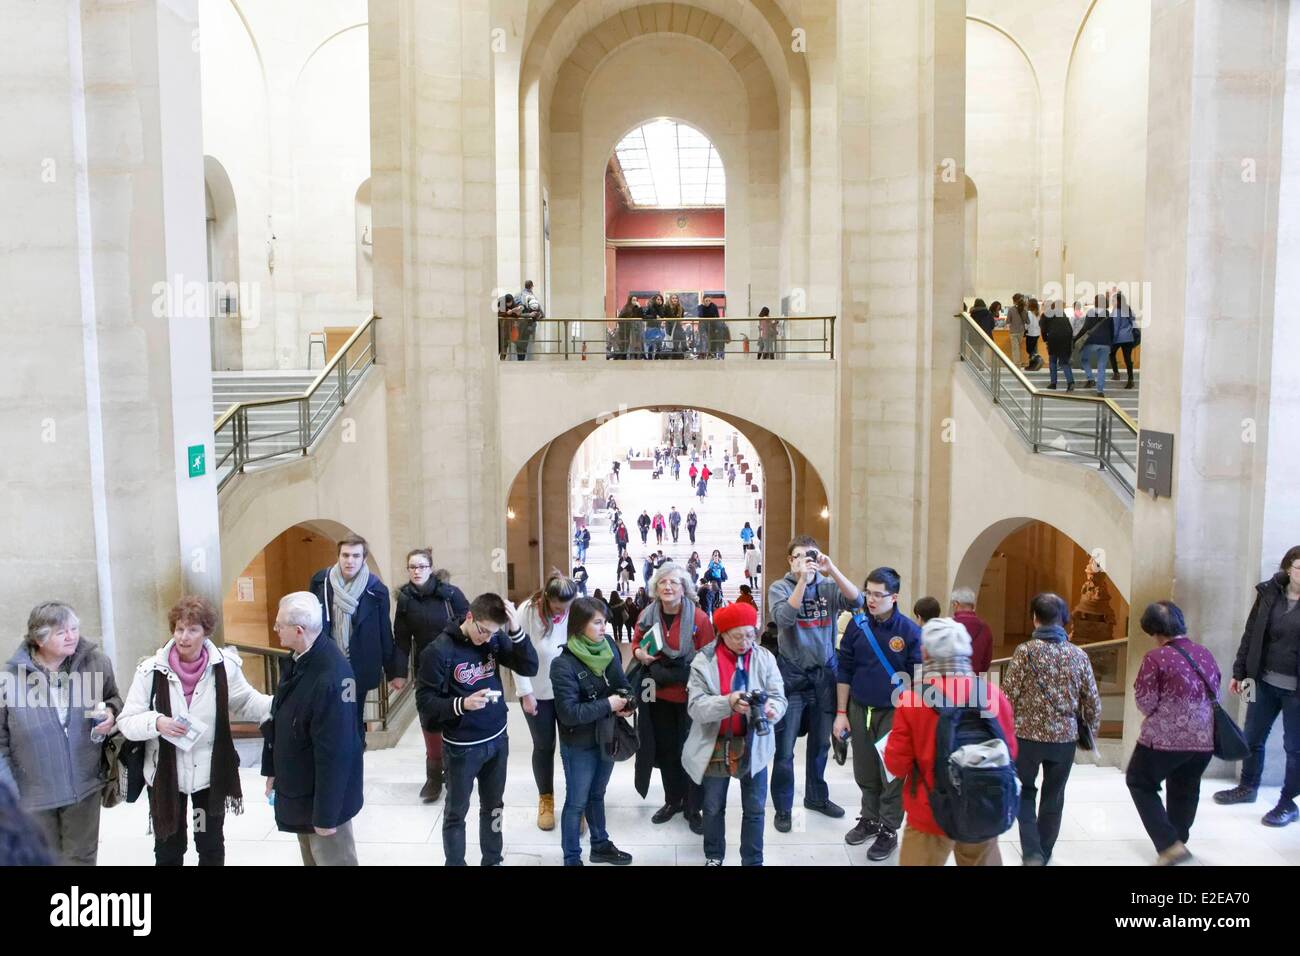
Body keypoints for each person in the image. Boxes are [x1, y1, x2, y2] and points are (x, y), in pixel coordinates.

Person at [118, 595, 272, 866]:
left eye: (192, 630)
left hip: (208, 775)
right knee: (169, 849)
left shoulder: (224, 667)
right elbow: (128, 721)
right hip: (165, 776)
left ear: (206, 632)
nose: (183, 637)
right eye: (179, 629)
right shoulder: (150, 671)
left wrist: (282, 703)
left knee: (210, 846)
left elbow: (247, 701)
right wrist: (156, 722)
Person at [416, 592, 539, 866]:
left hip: (497, 738)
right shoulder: (439, 651)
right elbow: (424, 702)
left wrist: (516, 630)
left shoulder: (493, 639)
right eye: (482, 631)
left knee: (494, 807)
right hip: (462, 746)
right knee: (456, 812)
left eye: (493, 633)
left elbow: (530, 665)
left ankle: (493, 859)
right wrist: (461, 704)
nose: (486, 638)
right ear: (470, 617)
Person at [884, 617, 1018, 866]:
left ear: (925, 652)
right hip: (982, 805)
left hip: (929, 811)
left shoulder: (913, 698)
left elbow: (896, 764)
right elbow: (1010, 751)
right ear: (968, 652)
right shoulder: (992, 695)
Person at [0, 602, 120, 865]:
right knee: (42, 859)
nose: (72, 636)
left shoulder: (97, 664)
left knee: (81, 858)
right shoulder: (8, 680)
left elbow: (114, 699)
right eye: (61, 632)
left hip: (84, 786)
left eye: (74, 628)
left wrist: (111, 713)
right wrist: (9, 791)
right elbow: (1, 742)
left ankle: (75, 906)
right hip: (33, 793)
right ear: (38, 639)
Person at [767, 536, 864, 831]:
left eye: (811, 555)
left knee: (821, 745)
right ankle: (783, 806)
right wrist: (801, 581)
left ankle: (816, 796)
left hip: (824, 677)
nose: (806, 560)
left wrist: (830, 569)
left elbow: (857, 601)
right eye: (799, 556)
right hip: (793, 677)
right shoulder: (779, 587)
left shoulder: (827, 586)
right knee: (784, 749)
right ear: (790, 561)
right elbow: (784, 618)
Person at [263, 593, 364, 866]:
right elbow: (279, 716)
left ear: (299, 630)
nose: (275, 629)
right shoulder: (299, 658)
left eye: (279, 625)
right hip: (302, 789)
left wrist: (327, 815)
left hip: (324, 801)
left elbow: (337, 752)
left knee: (333, 860)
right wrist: (272, 771)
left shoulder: (332, 675)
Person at [1000, 593, 1102, 865]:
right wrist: (1090, 731)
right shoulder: (1079, 655)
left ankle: (1031, 851)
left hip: (1026, 738)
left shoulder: (1025, 652)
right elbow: (1092, 701)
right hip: (1064, 740)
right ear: (1065, 620)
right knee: (1054, 796)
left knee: (1024, 791)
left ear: (1034, 618)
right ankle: (1044, 851)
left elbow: (1007, 695)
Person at [683, 602, 787, 866]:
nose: (746, 642)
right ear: (722, 633)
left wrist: (772, 709)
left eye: (751, 634)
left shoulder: (764, 657)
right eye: (738, 636)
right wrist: (727, 702)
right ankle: (714, 856)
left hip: (755, 745)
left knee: (754, 808)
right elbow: (695, 707)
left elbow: (778, 696)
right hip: (715, 745)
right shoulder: (704, 661)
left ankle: (753, 860)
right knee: (714, 806)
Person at [835, 568, 923, 859]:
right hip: (860, 708)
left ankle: (888, 828)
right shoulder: (857, 626)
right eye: (868, 592)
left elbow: (920, 680)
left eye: (877, 594)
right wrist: (841, 712)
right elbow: (844, 669)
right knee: (864, 769)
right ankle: (869, 818)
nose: (870, 599)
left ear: (894, 597)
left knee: (893, 774)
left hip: (894, 713)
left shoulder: (910, 632)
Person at [1127, 601, 1220, 864]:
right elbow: (1217, 691)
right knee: (1186, 787)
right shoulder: (1205, 653)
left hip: (1164, 739)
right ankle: (1179, 838)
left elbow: (1145, 701)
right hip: (1204, 737)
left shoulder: (1155, 658)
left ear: (1154, 630)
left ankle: (1169, 844)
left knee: (1139, 781)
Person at [1215, 544, 1300, 826]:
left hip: (1296, 690)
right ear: (1288, 568)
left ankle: (1288, 803)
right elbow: (1251, 633)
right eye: (1299, 568)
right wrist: (1240, 672)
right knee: (1250, 736)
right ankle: (1247, 787)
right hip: (1259, 681)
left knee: (1294, 747)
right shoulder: (1268, 593)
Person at [631, 562, 716, 833]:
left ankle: (694, 807)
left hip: (690, 695)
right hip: (657, 694)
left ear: (684, 588)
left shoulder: (699, 618)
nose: (668, 587)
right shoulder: (647, 615)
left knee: (690, 752)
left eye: (674, 583)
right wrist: (639, 654)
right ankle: (672, 801)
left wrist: (689, 673)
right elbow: (636, 643)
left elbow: (710, 654)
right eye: (663, 582)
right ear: (655, 587)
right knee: (667, 751)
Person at [550, 597, 635, 865]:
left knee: (597, 795)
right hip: (578, 744)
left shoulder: (608, 646)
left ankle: (600, 845)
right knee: (576, 802)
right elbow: (569, 714)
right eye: (597, 622)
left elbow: (622, 683)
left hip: (606, 736)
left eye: (605, 622)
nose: (603, 628)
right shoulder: (563, 665)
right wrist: (608, 704)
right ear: (579, 625)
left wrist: (628, 703)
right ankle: (572, 858)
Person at [309, 535, 404, 738]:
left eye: (355, 555)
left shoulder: (375, 589)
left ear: (363, 558)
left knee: (353, 717)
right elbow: (311, 622)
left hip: (359, 664)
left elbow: (384, 631)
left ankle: (354, 761)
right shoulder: (321, 582)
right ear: (338, 556)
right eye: (345, 555)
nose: (349, 560)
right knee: (331, 718)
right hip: (329, 662)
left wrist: (393, 671)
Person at [394, 548, 470, 802]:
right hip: (426, 669)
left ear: (431, 568)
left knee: (458, 717)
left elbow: (470, 626)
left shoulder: (451, 595)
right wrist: (398, 673)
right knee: (430, 720)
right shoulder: (405, 600)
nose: (417, 571)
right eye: (412, 567)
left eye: (421, 566)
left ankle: (457, 773)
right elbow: (402, 639)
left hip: (455, 666)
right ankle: (434, 777)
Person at [512, 572, 579, 832]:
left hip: (568, 692)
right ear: (548, 598)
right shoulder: (526, 612)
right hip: (537, 691)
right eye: (559, 607)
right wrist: (525, 692)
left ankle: (577, 803)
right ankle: (546, 799)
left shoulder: (575, 607)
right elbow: (517, 654)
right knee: (544, 746)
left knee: (573, 747)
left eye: (569, 606)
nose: (564, 612)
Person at [1074, 293, 1113, 394]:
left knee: (1084, 359)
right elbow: (1112, 330)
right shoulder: (1108, 313)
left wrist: (1076, 338)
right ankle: (1100, 390)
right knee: (1101, 366)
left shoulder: (1091, 312)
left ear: (1095, 302)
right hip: (1105, 343)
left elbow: (1085, 328)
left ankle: (1090, 378)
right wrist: (1111, 344)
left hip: (1092, 342)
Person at [950, 586, 994, 676]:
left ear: (956, 604)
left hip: (951, 682)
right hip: (974, 681)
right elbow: (986, 661)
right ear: (973, 606)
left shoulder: (948, 626)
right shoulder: (985, 628)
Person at [1040, 298, 1076, 391]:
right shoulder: (1063, 315)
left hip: (1053, 339)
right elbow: (1070, 330)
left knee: (1052, 361)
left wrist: (1045, 340)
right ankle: (1070, 382)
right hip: (1065, 340)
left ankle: (1053, 383)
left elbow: (1043, 329)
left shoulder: (1045, 315)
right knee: (1064, 362)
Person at [1109, 291, 1137, 389]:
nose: (1112, 302)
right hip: (1129, 337)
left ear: (1118, 301)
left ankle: (1116, 374)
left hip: (1119, 338)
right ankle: (1131, 379)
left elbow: (1116, 327)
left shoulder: (1117, 311)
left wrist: (1113, 339)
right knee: (1127, 359)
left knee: (1111, 353)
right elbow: (1133, 319)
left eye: (1113, 300)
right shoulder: (1127, 309)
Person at [515, 279, 543, 361]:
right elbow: (541, 313)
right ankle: (523, 362)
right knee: (524, 345)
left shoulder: (518, 295)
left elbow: (517, 313)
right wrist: (535, 315)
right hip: (526, 326)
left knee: (521, 345)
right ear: (531, 286)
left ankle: (521, 361)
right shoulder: (531, 297)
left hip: (522, 326)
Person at [497, 293, 522, 360]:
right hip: (499, 326)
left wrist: (515, 313)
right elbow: (498, 314)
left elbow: (517, 314)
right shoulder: (501, 302)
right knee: (498, 342)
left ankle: (502, 359)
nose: (509, 304)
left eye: (510, 302)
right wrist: (506, 313)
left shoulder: (514, 303)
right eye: (508, 303)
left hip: (507, 327)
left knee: (505, 343)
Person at [1005, 292, 1027, 368]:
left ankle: (1016, 365)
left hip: (1013, 331)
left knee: (1015, 348)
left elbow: (1008, 321)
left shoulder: (1011, 310)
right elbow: (1027, 321)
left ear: (1014, 301)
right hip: (1021, 331)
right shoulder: (1024, 310)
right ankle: (1018, 363)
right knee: (1018, 347)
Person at [617, 294, 643, 359]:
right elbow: (620, 318)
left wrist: (639, 307)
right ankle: (625, 357)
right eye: (633, 300)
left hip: (635, 330)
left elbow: (641, 316)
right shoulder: (626, 308)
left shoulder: (637, 308)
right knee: (626, 345)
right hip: (626, 330)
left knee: (635, 344)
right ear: (630, 300)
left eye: (636, 300)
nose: (635, 301)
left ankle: (635, 357)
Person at [1025, 296, 1043, 371]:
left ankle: (1038, 359)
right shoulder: (1037, 313)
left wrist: (1025, 328)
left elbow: (1028, 324)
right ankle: (1033, 365)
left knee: (1030, 350)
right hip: (1037, 333)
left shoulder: (1028, 313)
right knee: (1034, 349)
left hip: (1030, 333)